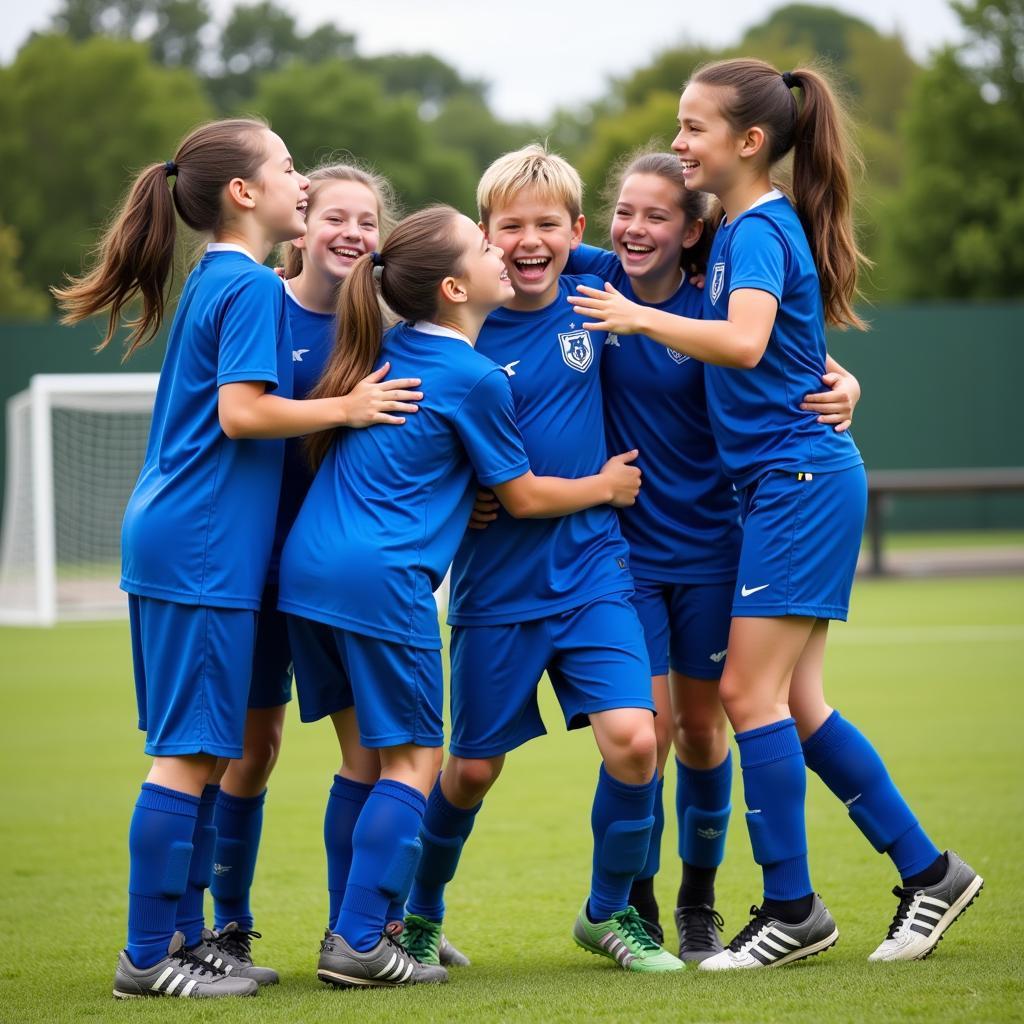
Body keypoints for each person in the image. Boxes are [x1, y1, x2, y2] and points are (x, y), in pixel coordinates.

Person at [570, 60, 981, 969]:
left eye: (692, 128)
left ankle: (793, 909)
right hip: (786, 485)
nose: (678, 144)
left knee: (748, 698)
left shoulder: (758, 230)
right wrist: (842, 379)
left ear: (748, 143)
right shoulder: (733, 232)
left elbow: (749, 341)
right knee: (795, 703)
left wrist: (640, 324)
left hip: (796, 483)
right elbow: (791, 350)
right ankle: (931, 874)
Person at [54, 118, 421, 999]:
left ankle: (185, 938)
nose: (304, 183)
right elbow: (242, 414)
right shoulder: (251, 287)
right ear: (245, 194)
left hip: (186, 543)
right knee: (189, 754)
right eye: (289, 168)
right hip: (204, 547)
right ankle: (149, 959)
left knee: (208, 750)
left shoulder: (222, 278)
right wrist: (348, 410)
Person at [277, 204, 643, 989]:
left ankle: (357, 928)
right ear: (453, 286)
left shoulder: (387, 343)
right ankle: (360, 944)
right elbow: (521, 497)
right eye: (487, 244)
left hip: (307, 571)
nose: (501, 253)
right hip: (381, 579)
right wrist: (606, 486)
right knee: (416, 762)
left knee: (365, 766)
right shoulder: (475, 375)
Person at [566, 149, 862, 961]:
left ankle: (700, 901)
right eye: (624, 211)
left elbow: (792, 360)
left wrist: (849, 385)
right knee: (645, 731)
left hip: (713, 549)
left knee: (704, 731)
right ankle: (637, 902)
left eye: (656, 215)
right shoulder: (590, 278)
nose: (634, 227)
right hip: (619, 552)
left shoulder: (715, 303)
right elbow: (513, 248)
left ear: (692, 230)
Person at [401, 146, 685, 974]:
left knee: (637, 740)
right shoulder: (456, 325)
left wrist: (833, 373)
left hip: (597, 573)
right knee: (471, 771)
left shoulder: (601, 287)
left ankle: (608, 915)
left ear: (576, 232)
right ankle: (417, 913)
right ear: (483, 241)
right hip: (497, 586)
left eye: (547, 226)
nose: (530, 242)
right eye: (511, 228)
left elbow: (701, 281)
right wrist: (580, 486)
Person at [208, 161, 402, 974]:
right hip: (251, 573)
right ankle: (228, 926)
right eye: (336, 217)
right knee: (251, 752)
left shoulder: (392, 328)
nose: (352, 234)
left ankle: (356, 929)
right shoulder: (256, 303)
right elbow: (229, 419)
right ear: (302, 223)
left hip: (337, 581)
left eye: (368, 222)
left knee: (375, 752)